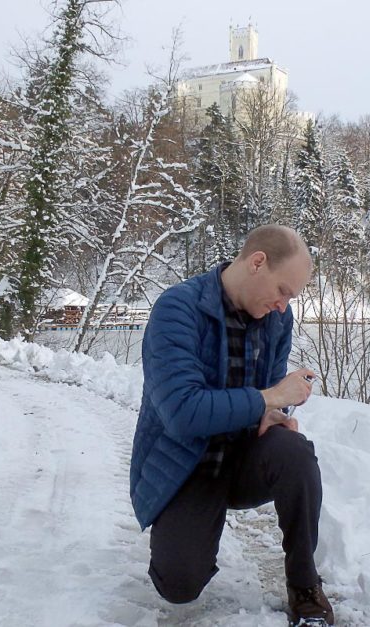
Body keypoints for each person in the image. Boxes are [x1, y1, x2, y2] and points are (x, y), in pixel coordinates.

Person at [130, 224, 335, 626]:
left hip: (242, 455)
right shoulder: (177, 309)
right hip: (186, 465)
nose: (283, 305)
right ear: (257, 262)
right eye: (283, 290)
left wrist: (276, 415)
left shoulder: (278, 320)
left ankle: (305, 585)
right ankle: (194, 534)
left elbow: (271, 392)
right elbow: (182, 413)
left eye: (290, 297)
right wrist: (270, 398)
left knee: (295, 452)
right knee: (179, 586)